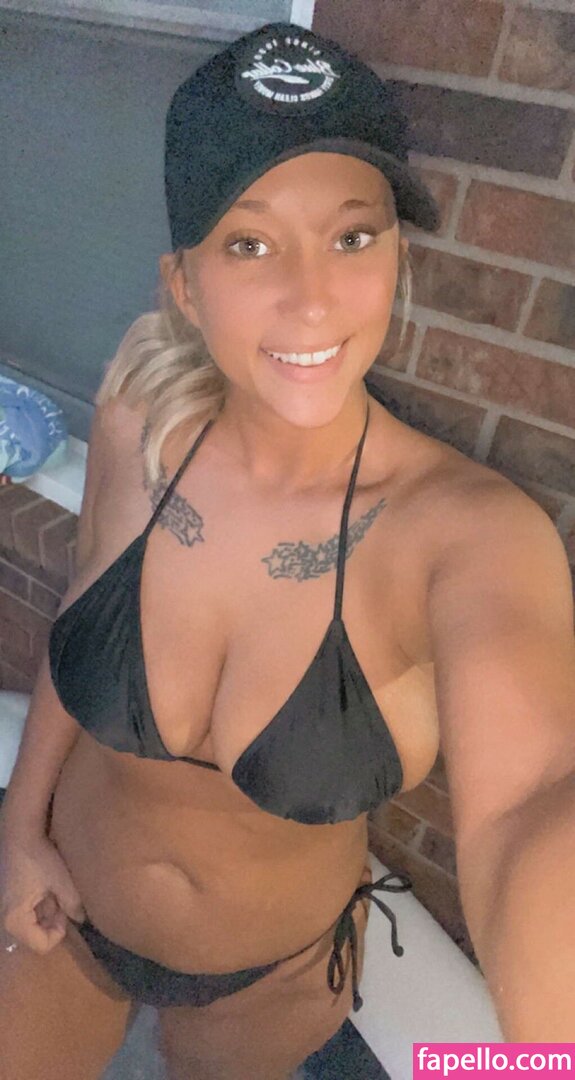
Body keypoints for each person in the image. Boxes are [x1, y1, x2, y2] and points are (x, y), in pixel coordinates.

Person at [1, 20, 574, 1080]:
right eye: (249, 244)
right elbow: (83, 608)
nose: (311, 298)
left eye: (352, 238)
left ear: (395, 259)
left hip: (268, 982)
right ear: (184, 284)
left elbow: (532, 802)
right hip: (65, 912)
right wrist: (18, 831)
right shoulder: (144, 416)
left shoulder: (469, 535)